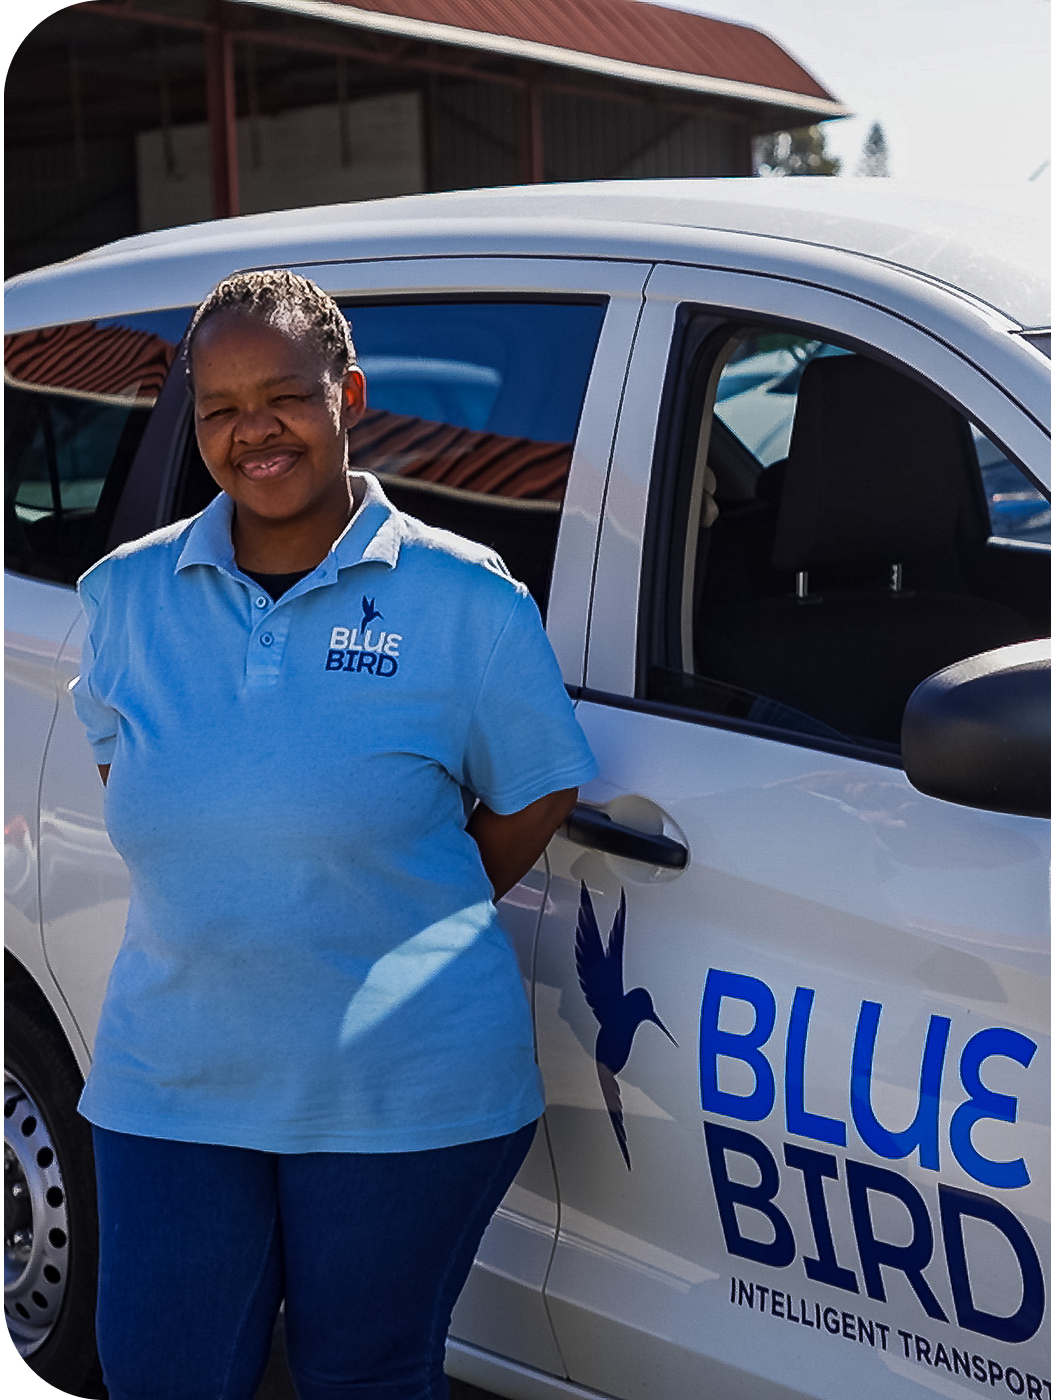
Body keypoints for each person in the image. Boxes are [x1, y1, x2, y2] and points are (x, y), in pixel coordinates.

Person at [70, 269, 597, 1399]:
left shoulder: (468, 600)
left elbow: (537, 793)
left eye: (286, 396)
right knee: (158, 1372)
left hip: (406, 1089)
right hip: (174, 1080)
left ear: (347, 393)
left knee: (364, 1375)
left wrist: (407, 904)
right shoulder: (126, 596)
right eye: (219, 407)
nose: (253, 430)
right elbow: (163, 795)